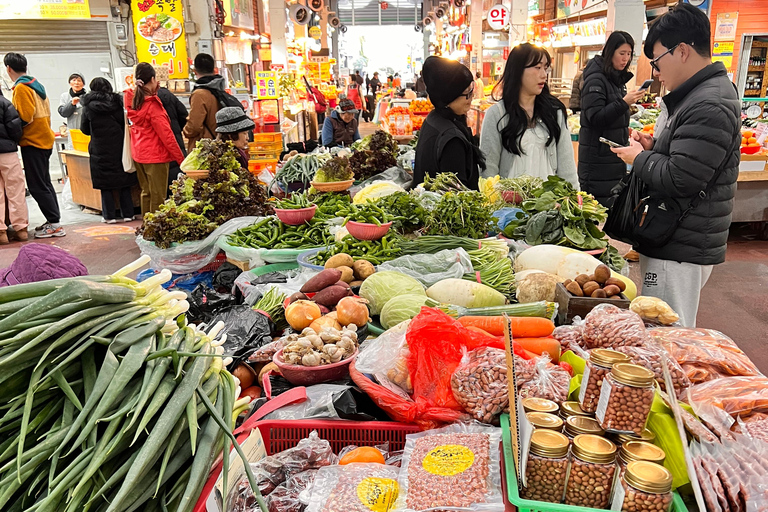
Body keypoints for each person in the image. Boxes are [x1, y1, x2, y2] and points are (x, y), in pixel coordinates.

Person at [610, 3, 741, 328]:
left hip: (680, 241)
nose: (655, 71)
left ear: (681, 51)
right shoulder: (700, 94)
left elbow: (682, 178)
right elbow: (690, 160)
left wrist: (638, 158)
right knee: (662, 329)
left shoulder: (708, 103)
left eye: (657, 61)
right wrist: (656, 146)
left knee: (668, 336)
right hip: (678, 236)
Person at [479, 44, 578, 187]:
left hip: (548, 203)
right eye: (537, 68)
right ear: (518, 71)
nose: (544, 75)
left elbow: (567, 166)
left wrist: (574, 201)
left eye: (546, 68)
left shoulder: (554, 113)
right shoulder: (497, 114)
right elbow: (488, 170)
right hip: (509, 206)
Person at [578, 31, 645, 206]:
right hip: (598, 161)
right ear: (610, 52)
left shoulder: (615, 80)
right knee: (597, 211)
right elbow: (595, 118)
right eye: (621, 53)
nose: (625, 59)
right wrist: (624, 103)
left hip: (612, 158)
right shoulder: (596, 79)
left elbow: (612, 117)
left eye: (629, 54)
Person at [4, 52, 63, 238]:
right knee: (45, 183)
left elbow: (25, 117)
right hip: (45, 138)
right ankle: (54, 221)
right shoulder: (36, 84)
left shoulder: (21, 88)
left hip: (33, 141)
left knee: (37, 185)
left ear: (8, 69)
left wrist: (10, 126)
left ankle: (55, 225)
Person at [413, 56, 484, 190]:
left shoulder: (434, 119)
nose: (471, 97)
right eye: (466, 93)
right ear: (449, 96)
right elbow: (458, 197)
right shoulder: (452, 139)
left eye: (471, 90)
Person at [124, 63, 185, 215]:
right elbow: (167, 136)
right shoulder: (152, 106)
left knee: (146, 192)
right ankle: (154, 232)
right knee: (158, 195)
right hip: (156, 156)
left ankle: (146, 227)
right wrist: (181, 160)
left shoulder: (133, 101)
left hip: (139, 154)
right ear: (152, 79)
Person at [80, 77, 137, 223]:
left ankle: (109, 216)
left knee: (105, 185)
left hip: (99, 149)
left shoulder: (88, 107)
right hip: (118, 146)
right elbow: (123, 122)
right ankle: (128, 214)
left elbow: (84, 129)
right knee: (123, 182)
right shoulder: (117, 103)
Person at [183, 53, 227, 152]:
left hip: (205, 148)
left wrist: (185, 131)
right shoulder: (220, 89)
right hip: (220, 143)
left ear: (195, 72)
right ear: (214, 70)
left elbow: (194, 126)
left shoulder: (199, 94)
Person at [0, 93, 28, 244]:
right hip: (8, 153)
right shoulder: (5, 103)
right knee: (15, 190)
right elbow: (15, 128)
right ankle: (21, 229)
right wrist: (12, 141)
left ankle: (1, 233)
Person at [156, 85, 188, 184]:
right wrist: (177, 128)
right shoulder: (170, 96)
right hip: (176, 140)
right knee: (179, 177)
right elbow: (184, 115)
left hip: (156, 148)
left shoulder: (146, 99)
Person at [58, 73, 86, 147]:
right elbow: (63, 113)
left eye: (79, 80)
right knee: (73, 149)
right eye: (74, 80)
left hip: (85, 130)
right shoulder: (64, 96)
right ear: (70, 83)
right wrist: (72, 104)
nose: (76, 83)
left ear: (83, 84)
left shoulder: (88, 96)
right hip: (72, 129)